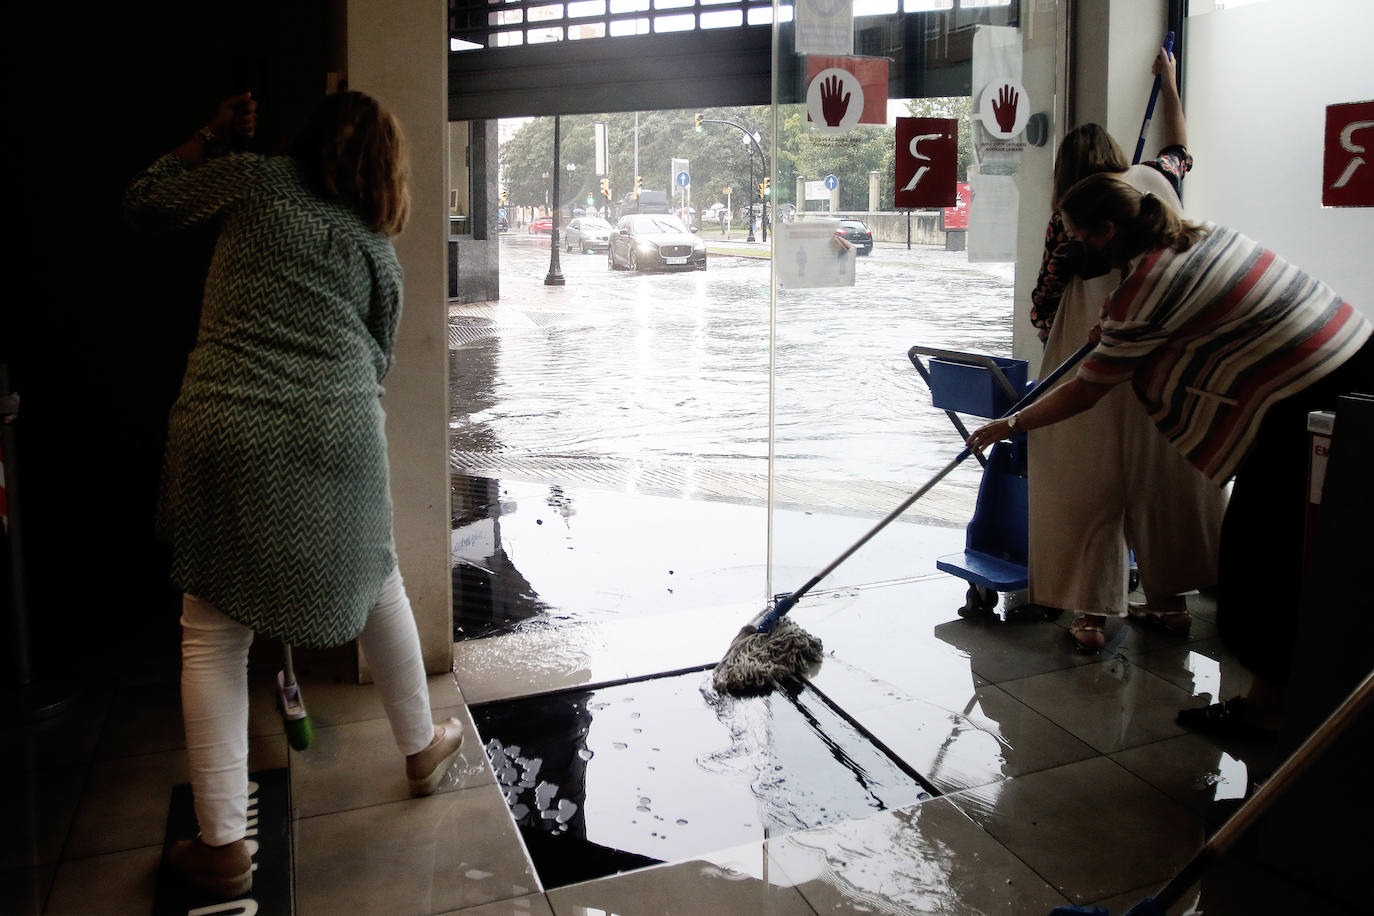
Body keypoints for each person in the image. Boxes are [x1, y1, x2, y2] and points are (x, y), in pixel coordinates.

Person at [123, 90, 465, 898]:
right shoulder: (378, 253)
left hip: (223, 428)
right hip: (337, 437)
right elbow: (377, 362)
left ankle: (221, 843)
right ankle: (420, 748)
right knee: (376, 573)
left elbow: (143, 202)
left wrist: (209, 134)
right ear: (388, 168)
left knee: (213, 632)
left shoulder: (251, 183)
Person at [965, 172, 1373, 736]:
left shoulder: (1148, 290)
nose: (1071, 248)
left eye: (1077, 235)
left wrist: (1009, 424)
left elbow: (1087, 389)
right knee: (1282, 550)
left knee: (1258, 557)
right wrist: (1113, 330)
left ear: (1108, 230)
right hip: (1349, 366)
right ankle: (1278, 697)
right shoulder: (1202, 239)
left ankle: (1268, 710)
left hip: (1317, 400)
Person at [1028, 47, 1226, 651]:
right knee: (1162, 478)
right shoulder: (1157, 185)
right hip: (1164, 365)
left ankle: (1090, 615)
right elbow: (1180, 148)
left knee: (1087, 482)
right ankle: (1169, 604)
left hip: (1094, 364)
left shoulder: (1071, 222)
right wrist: (1168, 81)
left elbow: (1044, 305)